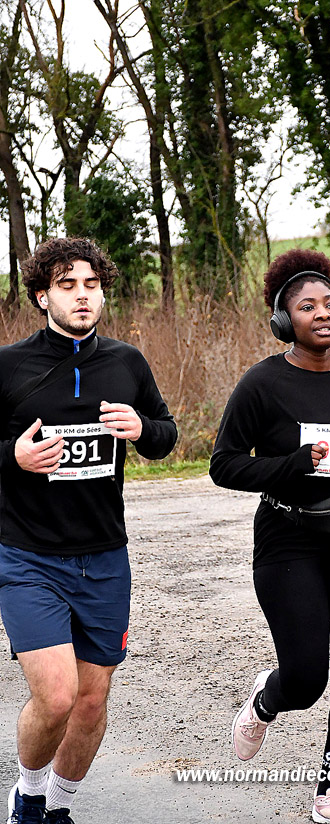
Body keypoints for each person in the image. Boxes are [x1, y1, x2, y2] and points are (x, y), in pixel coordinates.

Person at [209, 248, 330, 824]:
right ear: (282, 320)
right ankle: (265, 701)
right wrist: (290, 465)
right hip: (288, 540)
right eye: (307, 306)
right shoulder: (262, 383)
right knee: (307, 679)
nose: (322, 314)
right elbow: (224, 465)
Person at [0, 237, 177, 824]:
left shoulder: (126, 363)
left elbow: (166, 434)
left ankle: (58, 808)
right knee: (56, 697)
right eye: (68, 285)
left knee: (91, 700)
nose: (82, 296)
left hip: (103, 558)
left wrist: (142, 430)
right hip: (27, 556)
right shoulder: (9, 365)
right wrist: (13, 456)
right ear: (41, 295)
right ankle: (28, 796)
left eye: (92, 285)